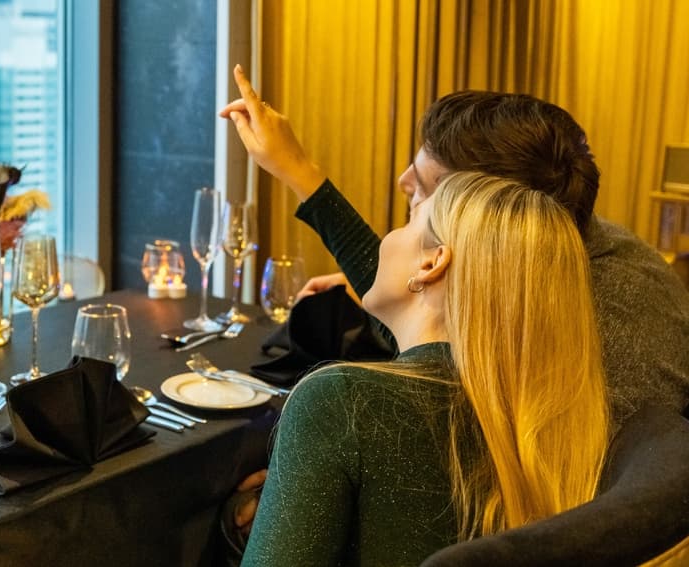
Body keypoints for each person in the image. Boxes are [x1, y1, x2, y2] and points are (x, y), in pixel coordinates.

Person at [218, 64, 689, 547]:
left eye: (423, 195)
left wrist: (308, 487)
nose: (402, 183)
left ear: (479, 219)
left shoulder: (607, 341)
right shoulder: (564, 256)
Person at [241, 172, 610, 565]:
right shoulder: (550, 423)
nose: (387, 239)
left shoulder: (343, 402)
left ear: (432, 262)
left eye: (407, 220)